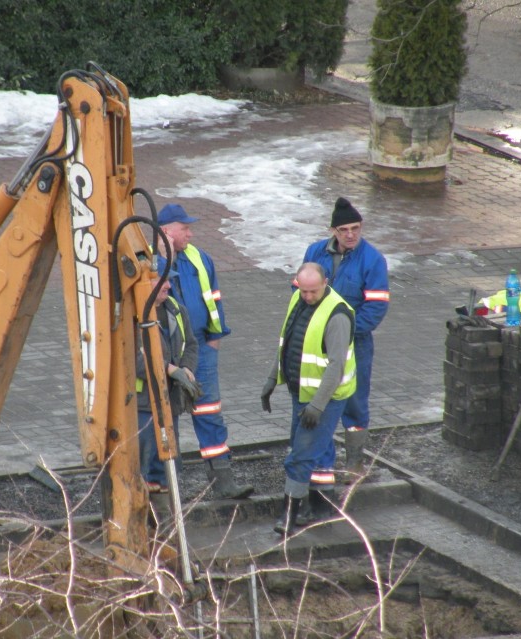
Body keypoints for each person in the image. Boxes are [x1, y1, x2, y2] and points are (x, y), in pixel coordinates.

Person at [157, 203, 254, 499]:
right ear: (165, 231)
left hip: (202, 348)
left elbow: (215, 299)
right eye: (184, 228)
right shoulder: (148, 260)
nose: (190, 232)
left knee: (209, 411)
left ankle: (222, 480)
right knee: (165, 417)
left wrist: (214, 340)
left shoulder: (201, 258)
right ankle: (167, 486)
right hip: (167, 352)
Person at [261, 263, 356, 535]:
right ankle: (322, 504)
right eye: (303, 291)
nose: (307, 297)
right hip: (301, 392)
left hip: (324, 399)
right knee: (314, 449)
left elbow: (336, 366)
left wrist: (317, 405)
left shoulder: (337, 316)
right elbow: (287, 344)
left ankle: (288, 515)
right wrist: (272, 380)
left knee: (300, 456)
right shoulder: (297, 298)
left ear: (326, 283)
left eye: (313, 291)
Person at [302, 197, 389, 480]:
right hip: (317, 344)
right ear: (333, 231)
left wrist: (344, 334)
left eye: (356, 228)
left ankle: (354, 462)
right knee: (319, 399)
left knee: (354, 401)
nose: (351, 234)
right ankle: (319, 460)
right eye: (344, 230)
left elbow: (375, 307)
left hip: (356, 344)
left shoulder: (372, 260)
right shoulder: (315, 253)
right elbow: (301, 293)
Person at [136, 265, 199, 524]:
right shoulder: (134, 317)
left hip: (169, 401)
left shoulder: (175, 309)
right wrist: (169, 370)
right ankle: (153, 518)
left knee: (170, 457)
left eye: (169, 281)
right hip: (144, 404)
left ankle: (166, 518)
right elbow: (132, 362)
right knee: (150, 460)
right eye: (161, 281)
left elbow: (191, 344)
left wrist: (185, 367)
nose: (168, 286)